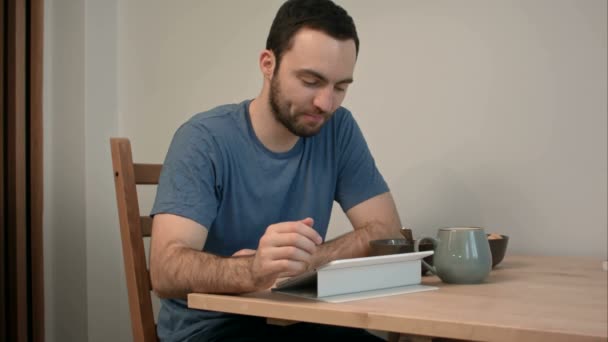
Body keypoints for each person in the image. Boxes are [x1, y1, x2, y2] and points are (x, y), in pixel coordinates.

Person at [149, 0, 403, 340]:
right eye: (311, 81)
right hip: (212, 329)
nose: (326, 104)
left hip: (299, 318)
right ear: (268, 64)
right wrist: (252, 271)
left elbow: (387, 231)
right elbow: (165, 271)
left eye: (340, 87)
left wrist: (305, 260)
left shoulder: (338, 129)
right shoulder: (203, 139)